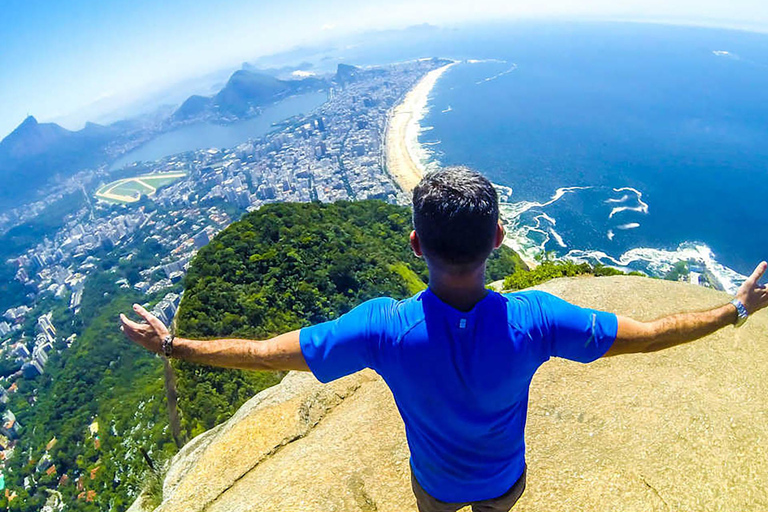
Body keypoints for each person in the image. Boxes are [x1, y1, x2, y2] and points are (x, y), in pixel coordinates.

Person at [120, 167, 768, 512]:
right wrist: (735, 309)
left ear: (414, 244)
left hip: (434, 485)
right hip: (504, 481)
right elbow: (652, 334)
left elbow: (266, 354)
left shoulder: (381, 328)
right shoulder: (537, 319)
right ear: (498, 239)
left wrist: (175, 346)